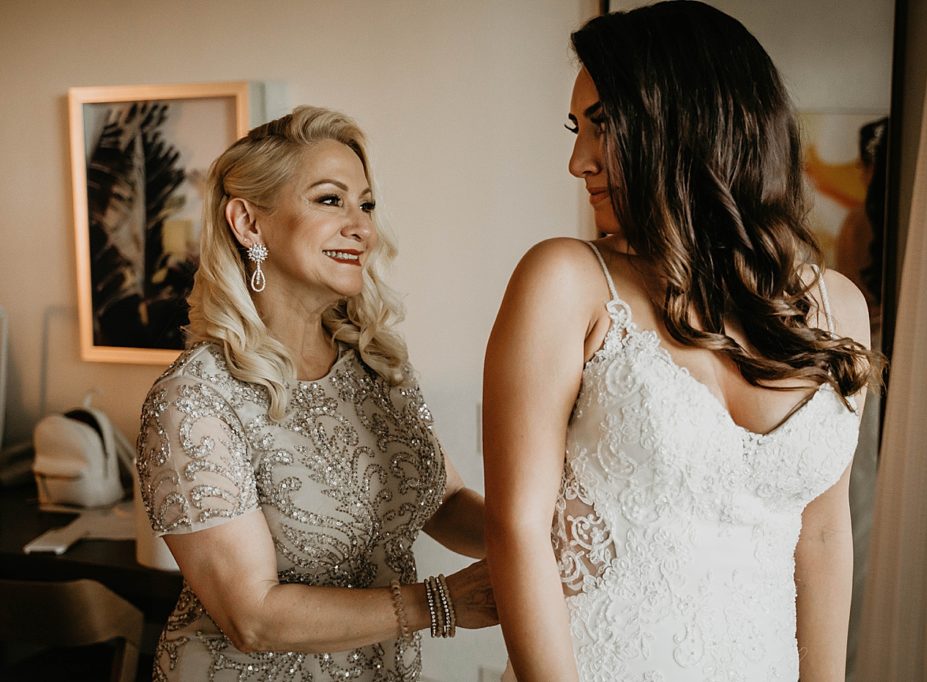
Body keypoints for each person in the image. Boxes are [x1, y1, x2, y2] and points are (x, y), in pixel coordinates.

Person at [482, 2, 883, 680]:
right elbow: (517, 531)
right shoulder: (566, 281)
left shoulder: (840, 306)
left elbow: (820, 535)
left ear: (693, 123)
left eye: (603, 125)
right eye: (577, 129)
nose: (579, 160)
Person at [135, 106, 497, 681]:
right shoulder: (195, 399)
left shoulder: (376, 365)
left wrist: (544, 539)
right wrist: (440, 602)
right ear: (249, 224)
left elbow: (443, 502)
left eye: (367, 204)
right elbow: (250, 616)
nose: (362, 227)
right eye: (331, 200)